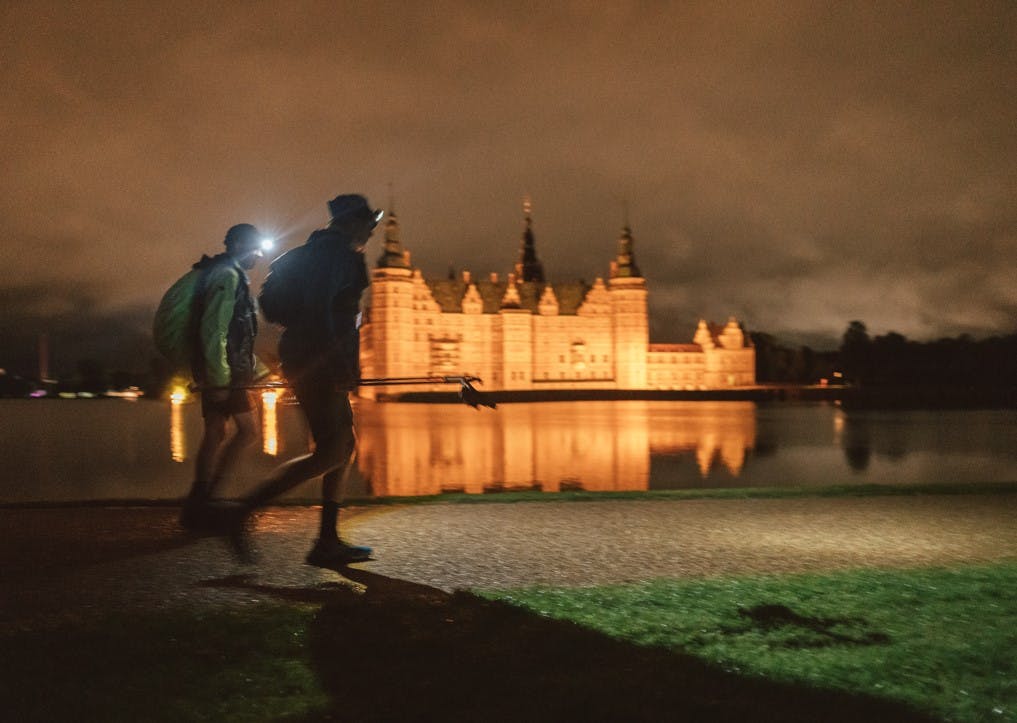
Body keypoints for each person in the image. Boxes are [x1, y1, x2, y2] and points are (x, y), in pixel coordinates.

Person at [223, 195, 381, 567]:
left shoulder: (316, 252)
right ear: (352, 222)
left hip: (306, 356)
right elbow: (320, 308)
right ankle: (242, 511)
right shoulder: (338, 255)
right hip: (318, 361)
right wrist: (340, 363)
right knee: (331, 450)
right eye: (368, 222)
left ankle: (327, 540)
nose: (372, 230)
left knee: (344, 444)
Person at [179, 223, 269, 531]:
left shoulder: (225, 274)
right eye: (256, 249)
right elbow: (214, 330)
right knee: (248, 432)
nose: (258, 256)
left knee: (216, 433)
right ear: (239, 245)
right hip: (225, 373)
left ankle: (197, 505)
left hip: (220, 369)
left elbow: (235, 333)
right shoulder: (228, 276)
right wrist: (220, 378)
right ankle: (209, 499)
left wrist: (259, 370)